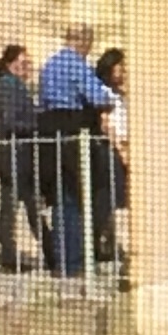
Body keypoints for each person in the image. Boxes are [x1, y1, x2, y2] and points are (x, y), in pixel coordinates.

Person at [34, 25, 119, 278]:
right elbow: (98, 97)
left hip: (49, 132)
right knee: (78, 196)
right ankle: (76, 261)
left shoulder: (49, 65)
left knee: (59, 197)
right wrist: (111, 103)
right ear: (83, 43)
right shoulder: (76, 64)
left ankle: (61, 261)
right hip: (71, 129)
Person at [0, 40, 41, 276]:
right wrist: (36, 124)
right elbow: (11, 121)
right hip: (13, 155)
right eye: (23, 62)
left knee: (30, 204)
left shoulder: (12, 85)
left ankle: (51, 250)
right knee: (12, 206)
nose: (27, 67)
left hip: (17, 155)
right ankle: (9, 255)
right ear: (12, 63)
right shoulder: (8, 85)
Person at [96, 46, 131, 274]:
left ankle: (111, 242)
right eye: (120, 68)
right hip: (113, 148)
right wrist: (120, 148)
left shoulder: (121, 94)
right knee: (112, 198)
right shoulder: (104, 93)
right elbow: (106, 123)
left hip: (126, 147)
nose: (124, 72)